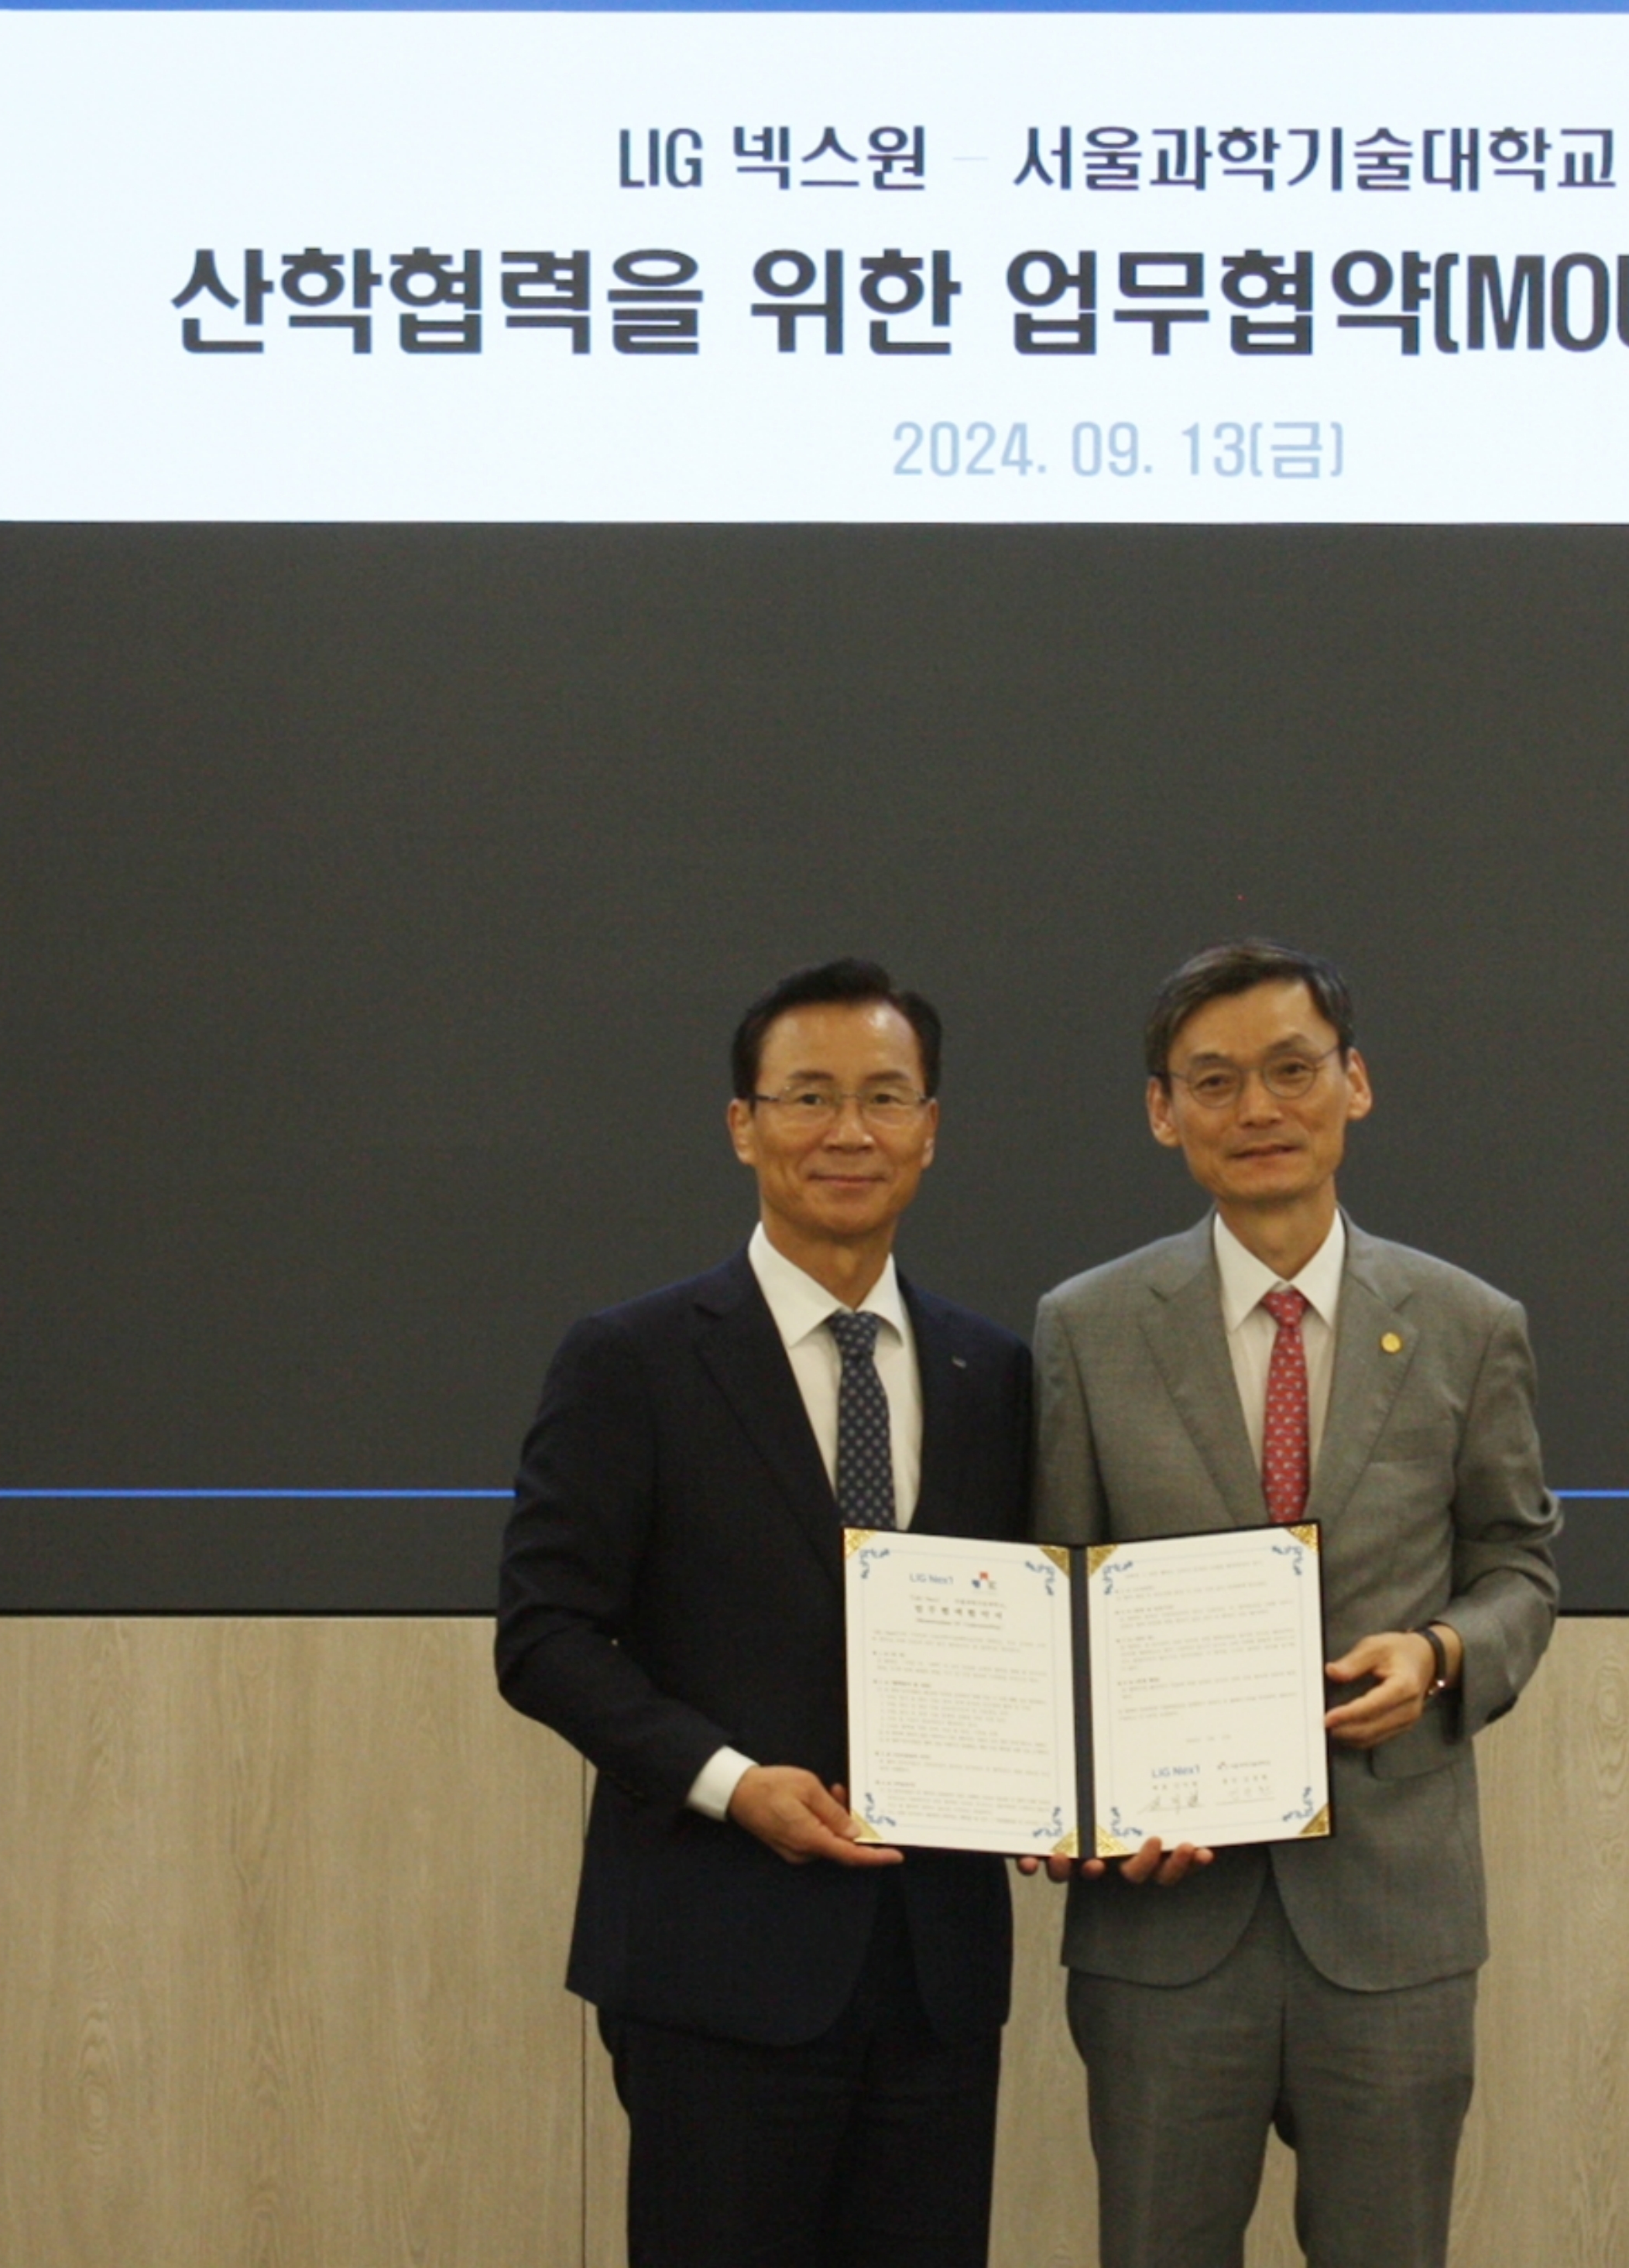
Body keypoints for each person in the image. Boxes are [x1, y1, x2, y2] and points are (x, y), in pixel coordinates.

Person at [1031, 938, 1561, 2268]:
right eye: (1213, 1081)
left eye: (1292, 1070)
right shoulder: (1087, 1329)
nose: (1257, 1108)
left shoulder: (1467, 1324)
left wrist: (1440, 1654)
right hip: (1166, 1926)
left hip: (1391, 1921)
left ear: (1355, 1084)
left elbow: (1519, 1566)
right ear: (1163, 1112)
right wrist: (1082, 1808)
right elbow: (1058, 1607)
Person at [497, 958, 1033, 2268]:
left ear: (930, 1129)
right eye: (808, 1097)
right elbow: (544, 1636)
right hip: (715, 1965)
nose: (849, 1132)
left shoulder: (994, 1372)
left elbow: (1033, 1625)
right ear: (744, 1124)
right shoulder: (631, 1360)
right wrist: (732, 1785)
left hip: (936, 1973)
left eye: (885, 1097)